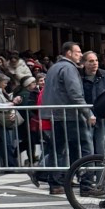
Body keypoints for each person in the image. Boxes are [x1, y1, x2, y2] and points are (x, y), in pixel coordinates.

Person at [40, 42, 90, 192]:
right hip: (69, 115)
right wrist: (88, 113)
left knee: (57, 149)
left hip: (55, 114)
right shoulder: (69, 68)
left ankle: (56, 183)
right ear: (68, 53)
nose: (81, 55)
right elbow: (75, 94)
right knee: (82, 149)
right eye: (78, 52)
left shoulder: (54, 67)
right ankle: (86, 183)